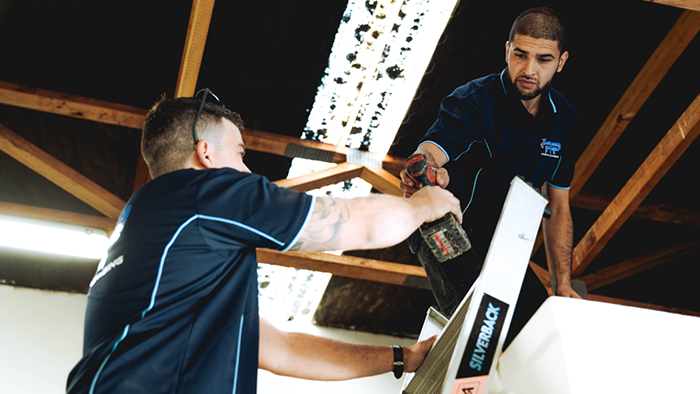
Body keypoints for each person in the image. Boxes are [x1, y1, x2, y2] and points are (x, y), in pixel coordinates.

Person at [66, 92, 464, 393]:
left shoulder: (164, 237)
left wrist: (403, 358)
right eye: (239, 154)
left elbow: (285, 350)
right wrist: (424, 206)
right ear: (205, 153)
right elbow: (355, 226)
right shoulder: (200, 195)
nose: (246, 170)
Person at [399, 7, 582, 348]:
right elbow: (434, 149)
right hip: (449, 229)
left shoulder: (565, 120)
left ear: (561, 62)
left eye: (543, 59)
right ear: (507, 50)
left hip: (506, 242)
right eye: (520, 55)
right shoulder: (473, 101)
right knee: (482, 334)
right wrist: (424, 167)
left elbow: (558, 205)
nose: (529, 70)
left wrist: (563, 284)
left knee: (538, 338)